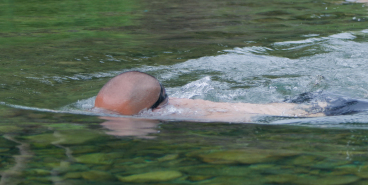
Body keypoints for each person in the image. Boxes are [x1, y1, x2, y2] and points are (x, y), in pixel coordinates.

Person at [93, 71, 325, 122]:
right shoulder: (160, 105)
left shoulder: (191, 114)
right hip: (303, 103)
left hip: (321, 110)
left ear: (155, 110)